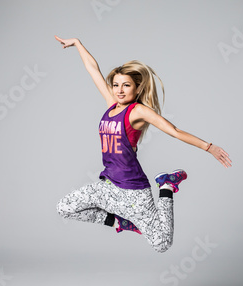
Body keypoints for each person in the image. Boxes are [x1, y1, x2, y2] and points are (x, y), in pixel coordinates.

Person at [55, 36, 232, 253]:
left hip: (133, 191)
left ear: (137, 89)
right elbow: (94, 71)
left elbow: (174, 131)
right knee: (65, 208)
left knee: (162, 244)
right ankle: (119, 223)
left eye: (126, 85)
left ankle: (166, 186)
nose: (119, 90)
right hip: (107, 186)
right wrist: (78, 44)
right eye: (116, 85)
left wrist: (209, 147)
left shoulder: (137, 111)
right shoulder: (112, 105)